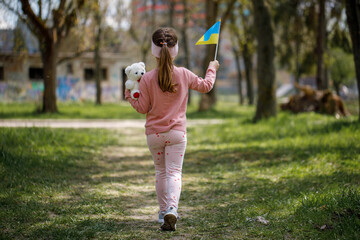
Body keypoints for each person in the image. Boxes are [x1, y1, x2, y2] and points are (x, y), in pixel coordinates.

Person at [125, 27, 219, 231]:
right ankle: (172, 209)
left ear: (153, 51)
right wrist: (212, 68)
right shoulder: (184, 74)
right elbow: (206, 86)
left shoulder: (147, 78)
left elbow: (142, 108)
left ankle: (162, 213)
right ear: (175, 50)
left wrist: (129, 92)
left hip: (154, 135)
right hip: (177, 134)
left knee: (161, 172)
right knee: (174, 172)